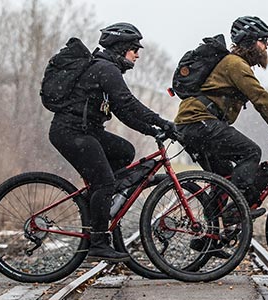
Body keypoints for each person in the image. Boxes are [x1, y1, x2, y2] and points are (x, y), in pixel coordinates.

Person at [49, 22, 176, 261]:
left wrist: (153, 130)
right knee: (105, 182)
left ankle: (100, 211)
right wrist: (163, 122)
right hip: (70, 132)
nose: (138, 54)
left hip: (87, 130)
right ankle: (97, 242)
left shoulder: (106, 68)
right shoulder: (106, 69)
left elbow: (123, 112)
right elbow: (128, 103)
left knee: (124, 151)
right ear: (121, 48)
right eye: (134, 48)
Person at [174, 16, 268, 221]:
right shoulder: (235, 64)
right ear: (250, 42)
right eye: (263, 40)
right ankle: (236, 209)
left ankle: (209, 238)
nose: (267, 45)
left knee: (223, 179)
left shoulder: (234, 64)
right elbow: (261, 98)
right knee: (251, 151)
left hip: (192, 124)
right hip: (198, 121)